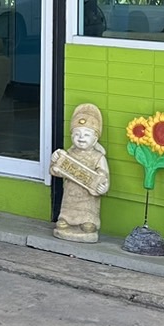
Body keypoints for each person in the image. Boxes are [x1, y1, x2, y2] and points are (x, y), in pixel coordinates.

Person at [52, 103, 110, 242]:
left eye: (86, 134)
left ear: (95, 138)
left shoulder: (98, 157)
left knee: (87, 213)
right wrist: (55, 160)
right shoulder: (69, 154)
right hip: (70, 193)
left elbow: (104, 176)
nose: (81, 138)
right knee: (67, 209)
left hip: (87, 196)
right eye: (77, 134)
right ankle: (66, 219)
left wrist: (103, 187)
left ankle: (88, 222)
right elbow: (56, 171)